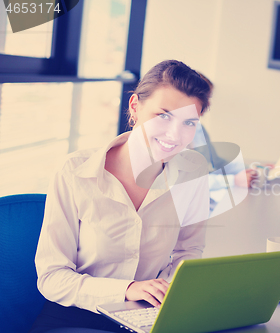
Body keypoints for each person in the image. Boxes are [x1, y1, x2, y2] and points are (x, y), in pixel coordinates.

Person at [31, 60, 212, 333]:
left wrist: (170, 292)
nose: (175, 135)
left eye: (188, 122)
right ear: (135, 106)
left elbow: (188, 250)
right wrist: (127, 289)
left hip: (149, 316)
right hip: (78, 316)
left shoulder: (193, 173)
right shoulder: (74, 172)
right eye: (163, 116)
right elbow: (52, 278)